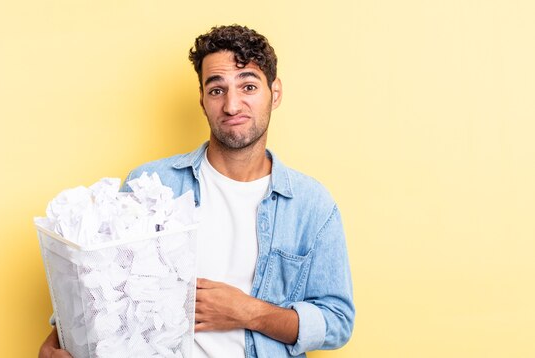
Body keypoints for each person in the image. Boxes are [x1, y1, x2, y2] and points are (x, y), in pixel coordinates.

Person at [39, 24, 354, 358]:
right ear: (203, 100)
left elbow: (337, 321)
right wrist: (57, 340)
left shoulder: (311, 206)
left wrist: (247, 312)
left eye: (248, 86)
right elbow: (102, 288)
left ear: (274, 93)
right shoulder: (151, 185)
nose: (232, 105)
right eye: (217, 90)